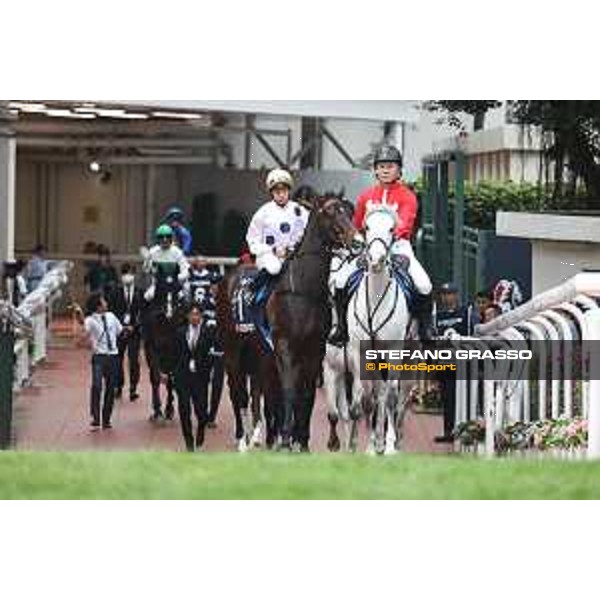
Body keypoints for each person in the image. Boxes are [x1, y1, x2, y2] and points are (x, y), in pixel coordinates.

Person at [328, 144, 435, 346]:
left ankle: (425, 330)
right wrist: (360, 242)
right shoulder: (365, 196)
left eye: (390, 166)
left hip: (398, 246)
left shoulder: (407, 196)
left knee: (424, 284)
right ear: (375, 170)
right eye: (381, 166)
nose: (385, 170)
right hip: (370, 248)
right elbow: (358, 225)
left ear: (399, 170)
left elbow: (405, 224)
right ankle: (342, 328)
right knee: (341, 280)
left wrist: (388, 239)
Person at [242, 169, 309, 302]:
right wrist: (272, 250)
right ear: (271, 193)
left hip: (294, 255)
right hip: (269, 256)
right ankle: (252, 288)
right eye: (277, 191)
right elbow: (252, 240)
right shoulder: (262, 213)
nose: (281, 194)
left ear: (289, 191)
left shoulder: (300, 211)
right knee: (275, 268)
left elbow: (308, 233)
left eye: (284, 190)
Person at [433, 282, 479, 444]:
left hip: (463, 363)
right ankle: (448, 431)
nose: (447, 297)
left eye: (450, 293)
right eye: (444, 294)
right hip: (444, 364)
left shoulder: (467, 313)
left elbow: (475, 333)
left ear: (456, 295)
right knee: (447, 399)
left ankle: (466, 430)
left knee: (465, 397)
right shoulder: (436, 316)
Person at [74, 292, 123, 431]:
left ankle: (106, 418)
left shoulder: (112, 316)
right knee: (96, 385)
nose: (106, 303)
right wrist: (79, 314)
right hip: (99, 357)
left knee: (110, 388)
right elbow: (83, 323)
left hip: (113, 356)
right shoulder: (91, 320)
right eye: (103, 301)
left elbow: (119, 331)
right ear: (98, 306)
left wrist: (127, 329)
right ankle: (95, 417)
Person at [188, 259, 225, 427]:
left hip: (221, 350)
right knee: (202, 381)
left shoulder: (226, 305)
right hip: (205, 350)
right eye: (213, 286)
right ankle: (202, 412)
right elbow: (197, 322)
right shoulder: (203, 304)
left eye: (218, 286)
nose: (215, 288)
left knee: (217, 384)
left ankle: (212, 416)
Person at [173, 303, 213, 452]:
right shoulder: (180, 332)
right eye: (192, 314)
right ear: (188, 316)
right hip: (182, 377)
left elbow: (212, 354)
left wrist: (206, 367)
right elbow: (174, 354)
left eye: (197, 314)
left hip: (200, 378)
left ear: (201, 316)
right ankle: (189, 442)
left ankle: (201, 432)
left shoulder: (208, 332)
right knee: (184, 409)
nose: (195, 317)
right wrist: (168, 372)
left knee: (201, 411)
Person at [108, 264, 144, 402]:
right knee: (118, 359)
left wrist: (133, 326)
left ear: (134, 276)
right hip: (119, 330)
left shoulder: (140, 292)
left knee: (134, 360)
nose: (128, 276)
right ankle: (118, 386)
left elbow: (142, 312)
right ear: (122, 276)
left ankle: (133, 387)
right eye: (125, 273)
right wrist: (121, 327)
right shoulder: (115, 292)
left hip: (134, 331)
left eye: (130, 273)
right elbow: (111, 311)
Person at [143, 225, 190, 302]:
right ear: (158, 238)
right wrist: (147, 260)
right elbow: (146, 270)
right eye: (162, 237)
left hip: (176, 285)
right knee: (146, 298)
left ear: (171, 238)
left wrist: (178, 278)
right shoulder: (153, 252)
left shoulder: (177, 252)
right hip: (158, 285)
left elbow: (186, 271)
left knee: (185, 299)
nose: (165, 239)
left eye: (167, 236)